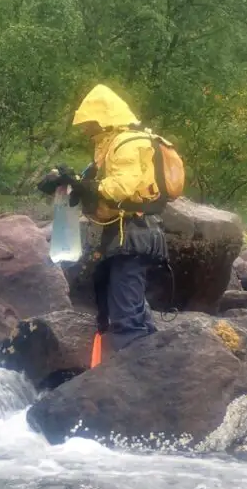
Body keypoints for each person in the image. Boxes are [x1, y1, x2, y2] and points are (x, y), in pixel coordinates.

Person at [37, 83, 169, 358]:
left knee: (125, 312)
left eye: (88, 123)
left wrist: (87, 187)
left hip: (134, 233)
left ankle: (133, 369)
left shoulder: (129, 143)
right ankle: (149, 359)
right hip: (122, 234)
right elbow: (95, 181)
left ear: (103, 119)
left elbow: (120, 187)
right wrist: (67, 182)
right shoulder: (110, 145)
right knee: (123, 302)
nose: (85, 129)